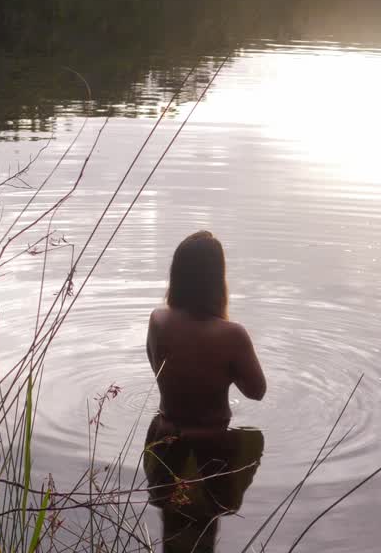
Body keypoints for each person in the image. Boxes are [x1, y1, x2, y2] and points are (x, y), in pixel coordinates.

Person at [143, 231, 267, 552]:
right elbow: (256, 391)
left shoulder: (158, 320)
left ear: (177, 275)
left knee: (171, 531)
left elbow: (156, 365)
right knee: (205, 532)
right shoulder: (232, 335)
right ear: (217, 280)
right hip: (213, 447)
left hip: (164, 440)